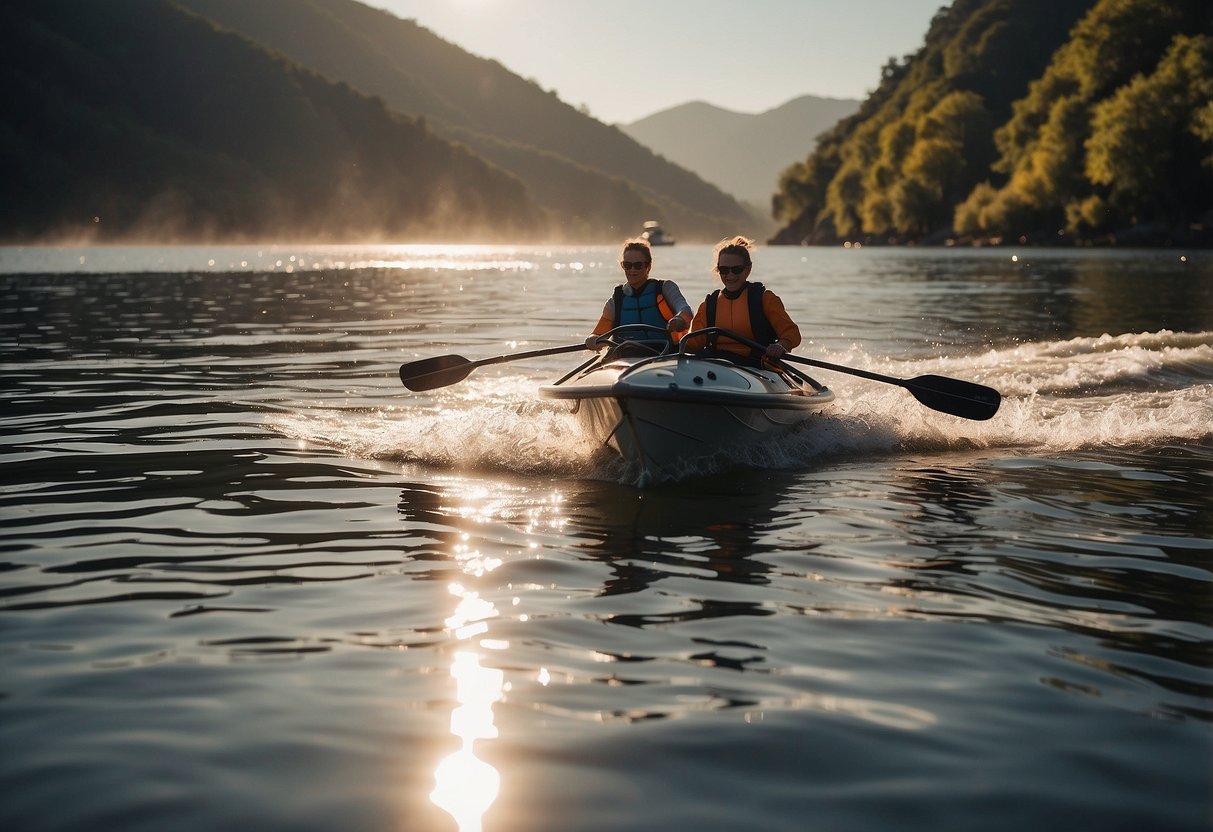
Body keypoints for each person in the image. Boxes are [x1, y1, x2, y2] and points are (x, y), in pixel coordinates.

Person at [683, 236, 801, 365]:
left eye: (736, 269)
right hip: (717, 364)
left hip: (756, 365)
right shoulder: (709, 305)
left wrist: (781, 345)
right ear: (718, 270)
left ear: (748, 269)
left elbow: (791, 333)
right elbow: (694, 344)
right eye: (724, 270)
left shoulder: (765, 299)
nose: (730, 275)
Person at [585, 239, 692, 350]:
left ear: (648, 266)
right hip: (625, 358)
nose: (632, 270)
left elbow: (685, 310)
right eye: (627, 265)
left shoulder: (666, 288)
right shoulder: (616, 300)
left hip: (664, 354)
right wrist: (592, 339)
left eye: (638, 265)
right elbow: (598, 334)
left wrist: (680, 319)